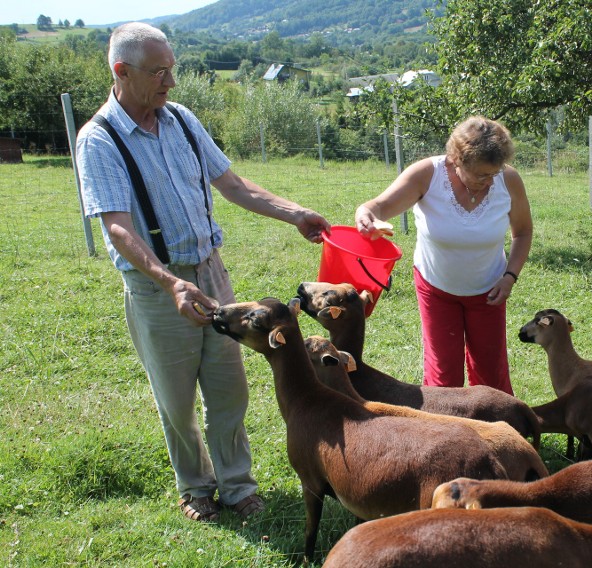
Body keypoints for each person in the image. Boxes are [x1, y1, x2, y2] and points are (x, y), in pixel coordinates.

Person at [75, 22, 330, 523]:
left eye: (172, 70)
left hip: (213, 275)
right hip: (157, 285)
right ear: (120, 72)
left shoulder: (183, 121)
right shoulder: (98, 140)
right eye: (158, 72)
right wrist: (170, 282)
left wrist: (294, 212)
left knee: (229, 387)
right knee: (176, 399)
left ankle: (237, 486)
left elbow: (233, 185)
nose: (170, 82)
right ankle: (195, 487)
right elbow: (119, 228)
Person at [355, 116, 533, 395]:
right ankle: (446, 435)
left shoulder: (508, 180)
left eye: (493, 174)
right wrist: (366, 214)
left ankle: (496, 433)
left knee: (491, 374)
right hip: (436, 288)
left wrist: (509, 277)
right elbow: (378, 206)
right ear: (456, 160)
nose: (488, 181)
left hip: (490, 289)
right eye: (481, 175)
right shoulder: (427, 174)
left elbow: (522, 233)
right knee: (443, 376)